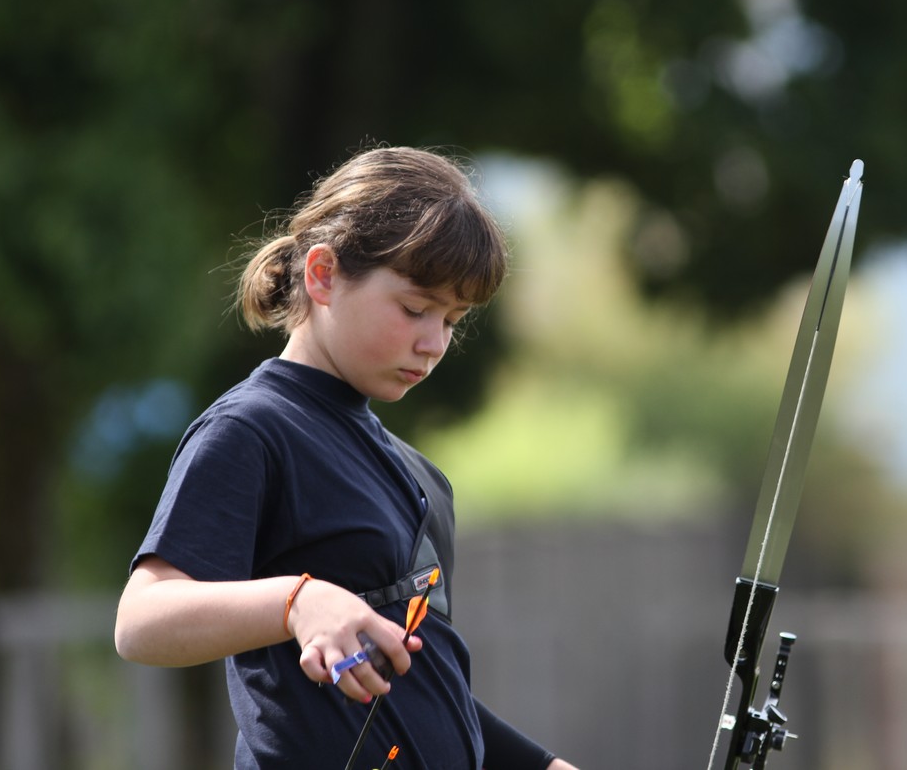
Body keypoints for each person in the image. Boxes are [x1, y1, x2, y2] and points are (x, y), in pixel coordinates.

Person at [114, 146, 580, 770]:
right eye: (416, 308)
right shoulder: (251, 430)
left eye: (453, 319)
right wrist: (298, 601)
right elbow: (141, 621)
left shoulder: (419, 474)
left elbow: (422, 690)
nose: (434, 342)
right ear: (323, 274)